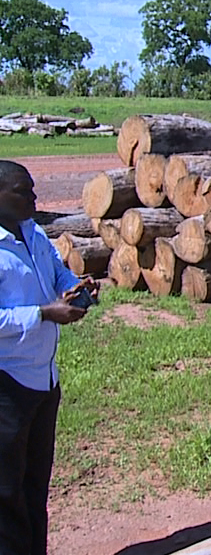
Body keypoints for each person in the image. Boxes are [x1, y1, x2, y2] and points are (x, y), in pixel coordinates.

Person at [1, 160, 97, 555]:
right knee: (6, 493)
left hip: (44, 381)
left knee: (35, 484)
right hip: (7, 387)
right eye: (25, 191)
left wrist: (76, 288)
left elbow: (57, 273)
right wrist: (44, 313)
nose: (34, 198)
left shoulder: (33, 232)